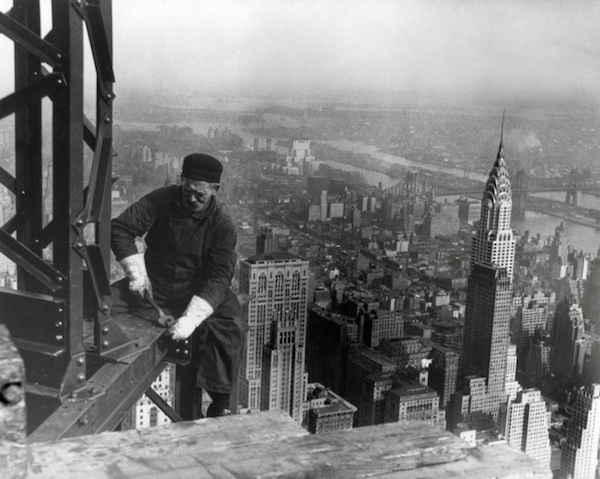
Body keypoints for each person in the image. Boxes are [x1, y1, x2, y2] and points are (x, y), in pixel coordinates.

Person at [111, 153, 245, 419]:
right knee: (103, 303)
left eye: (200, 195)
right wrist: (137, 275)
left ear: (215, 190)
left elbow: (219, 276)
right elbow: (121, 229)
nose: (191, 199)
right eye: (187, 190)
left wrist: (191, 320)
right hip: (155, 286)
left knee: (231, 322)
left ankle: (221, 399)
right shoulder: (161, 200)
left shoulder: (222, 223)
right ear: (181, 181)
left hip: (197, 292)